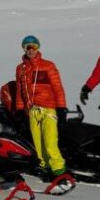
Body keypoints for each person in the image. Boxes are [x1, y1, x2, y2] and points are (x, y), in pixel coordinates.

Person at [13, 35, 68, 180]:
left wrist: (61, 108)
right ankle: (45, 168)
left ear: (38, 48)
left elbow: (58, 88)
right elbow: (20, 91)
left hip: (48, 109)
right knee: (38, 144)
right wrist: (19, 109)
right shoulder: (21, 69)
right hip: (32, 111)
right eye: (27, 47)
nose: (30, 50)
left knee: (50, 143)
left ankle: (59, 170)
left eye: (33, 47)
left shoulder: (48, 65)